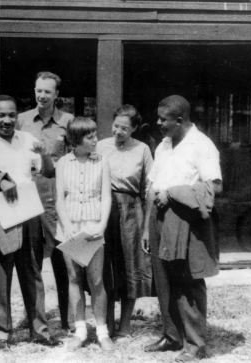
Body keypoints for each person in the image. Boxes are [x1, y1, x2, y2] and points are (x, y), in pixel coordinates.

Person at [0, 95, 61, 350]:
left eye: (11, 115)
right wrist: (0, 179)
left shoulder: (27, 140)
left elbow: (47, 172)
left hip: (28, 213)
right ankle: (0, 333)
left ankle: (40, 330)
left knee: (32, 273)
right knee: (0, 275)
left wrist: (46, 155)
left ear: (17, 116)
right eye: (1, 115)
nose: (7, 120)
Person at [142, 95, 222, 362]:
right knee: (163, 279)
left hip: (186, 221)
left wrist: (174, 193)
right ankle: (172, 335)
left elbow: (215, 186)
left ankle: (195, 345)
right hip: (159, 218)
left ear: (179, 120)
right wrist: (146, 228)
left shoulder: (202, 146)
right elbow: (152, 189)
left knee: (188, 281)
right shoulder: (163, 146)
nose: (158, 123)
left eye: (162, 119)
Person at [18, 71, 73, 331]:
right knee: (32, 261)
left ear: (56, 95)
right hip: (29, 197)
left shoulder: (68, 122)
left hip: (56, 198)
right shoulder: (21, 120)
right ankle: (36, 321)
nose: (41, 96)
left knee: (63, 258)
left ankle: (69, 320)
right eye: (38, 90)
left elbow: (75, 161)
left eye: (47, 92)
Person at [55, 117, 114, 351]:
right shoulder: (62, 163)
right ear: (77, 140)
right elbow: (60, 199)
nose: (96, 140)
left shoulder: (102, 161)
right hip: (70, 228)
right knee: (73, 278)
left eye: (95, 135)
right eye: (90, 137)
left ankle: (102, 332)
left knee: (96, 280)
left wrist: (101, 225)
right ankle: (80, 330)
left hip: (93, 227)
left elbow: (106, 196)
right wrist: (67, 225)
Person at [96, 105, 153, 338]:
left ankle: (126, 324)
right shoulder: (101, 146)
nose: (118, 131)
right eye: (116, 126)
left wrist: (147, 226)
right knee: (105, 266)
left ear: (135, 129)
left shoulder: (143, 150)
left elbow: (149, 189)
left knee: (131, 266)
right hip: (103, 210)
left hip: (131, 211)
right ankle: (106, 322)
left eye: (125, 128)